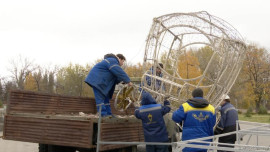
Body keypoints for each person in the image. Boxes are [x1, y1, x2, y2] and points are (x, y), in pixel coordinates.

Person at [172, 88, 216, 152]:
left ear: (193, 96)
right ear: (202, 95)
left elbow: (175, 118)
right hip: (205, 141)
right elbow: (213, 123)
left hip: (189, 142)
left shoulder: (185, 106)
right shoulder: (211, 108)